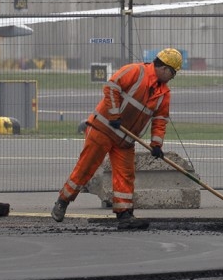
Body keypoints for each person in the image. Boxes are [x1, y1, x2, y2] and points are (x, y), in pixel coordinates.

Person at [50, 49, 181, 229]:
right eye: (173, 72)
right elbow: (112, 87)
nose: (173, 77)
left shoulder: (163, 93)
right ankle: (62, 202)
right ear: (165, 68)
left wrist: (156, 144)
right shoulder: (135, 71)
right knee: (86, 168)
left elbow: (160, 120)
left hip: (125, 140)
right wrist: (114, 114)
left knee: (125, 175)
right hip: (102, 129)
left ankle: (124, 215)